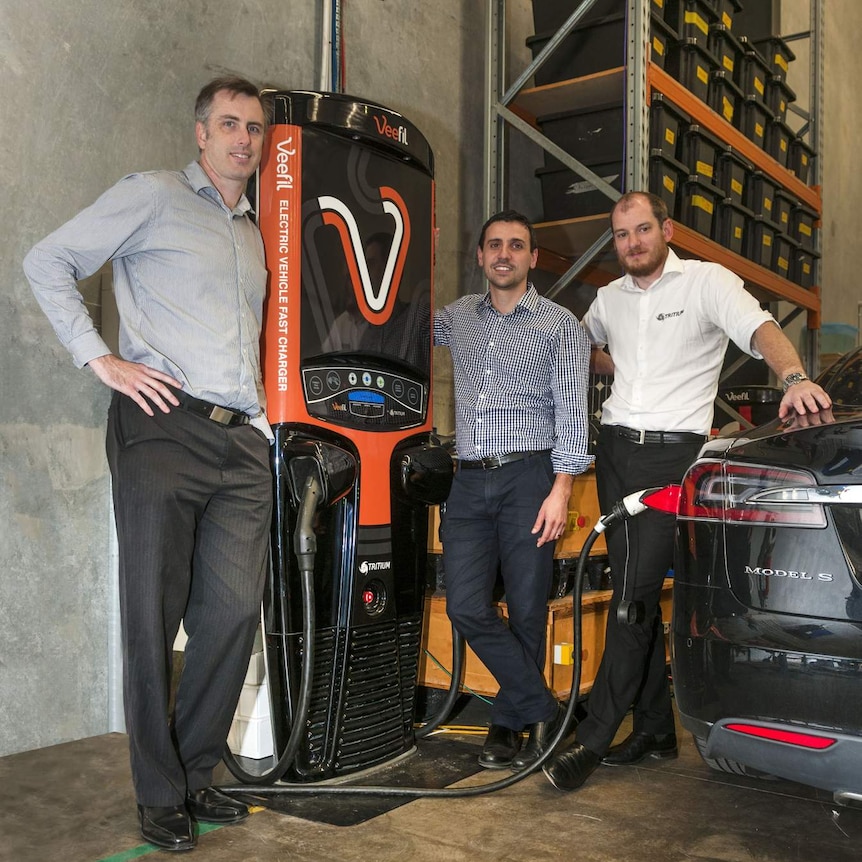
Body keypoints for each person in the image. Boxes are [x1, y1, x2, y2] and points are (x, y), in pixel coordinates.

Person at [23, 76, 274, 851]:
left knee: (231, 618)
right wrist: (101, 359)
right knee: (150, 616)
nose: (244, 139)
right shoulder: (155, 196)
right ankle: (159, 791)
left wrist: (265, 427)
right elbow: (47, 260)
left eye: (255, 129)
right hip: (163, 427)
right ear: (200, 133)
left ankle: (198, 770)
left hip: (241, 442)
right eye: (229, 124)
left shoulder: (255, 231)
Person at [542, 191, 832, 792]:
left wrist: (796, 377)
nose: (633, 244)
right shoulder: (608, 298)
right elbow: (583, 348)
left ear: (666, 229)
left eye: (642, 230)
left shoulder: (706, 282)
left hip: (674, 455)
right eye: (621, 235)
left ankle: (594, 738)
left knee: (633, 597)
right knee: (631, 587)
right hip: (616, 448)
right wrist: (600, 363)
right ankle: (652, 728)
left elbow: (760, 327)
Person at [434, 210, 593, 771]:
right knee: (465, 604)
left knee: (527, 607)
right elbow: (398, 331)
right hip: (470, 478)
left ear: (531, 257)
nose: (504, 254)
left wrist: (562, 489)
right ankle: (541, 705)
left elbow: (573, 414)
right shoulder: (455, 319)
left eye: (516, 246)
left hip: (532, 477)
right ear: (480, 256)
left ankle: (507, 723)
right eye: (494, 245)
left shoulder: (561, 327)